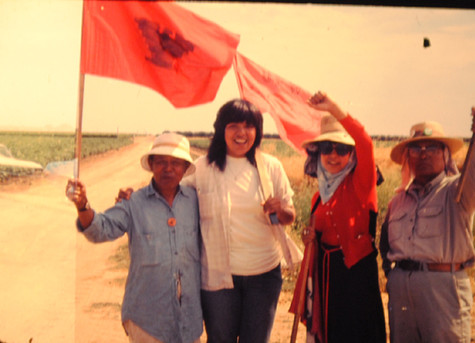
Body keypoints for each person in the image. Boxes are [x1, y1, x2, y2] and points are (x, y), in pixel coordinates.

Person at [117, 99, 296, 343]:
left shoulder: (271, 167)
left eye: (249, 126)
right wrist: (134, 197)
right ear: (221, 130)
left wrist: (282, 210)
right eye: (233, 125)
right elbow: (168, 193)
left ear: (258, 131)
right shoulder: (202, 168)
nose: (241, 133)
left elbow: (290, 215)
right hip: (218, 278)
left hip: (264, 275)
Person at [66, 132, 203, 343]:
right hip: (147, 321)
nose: (168, 168)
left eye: (176, 163)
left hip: (189, 320)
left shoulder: (196, 200)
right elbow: (99, 230)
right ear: (151, 164)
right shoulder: (133, 202)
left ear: (185, 168)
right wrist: (83, 204)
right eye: (161, 162)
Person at [379, 107, 475, 343]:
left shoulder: (458, 191)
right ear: (407, 158)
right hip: (402, 292)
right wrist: (392, 278)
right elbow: (384, 246)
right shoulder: (397, 202)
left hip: (443, 292)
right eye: (416, 149)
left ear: (446, 155)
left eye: (432, 148)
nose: (423, 155)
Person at [296, 91, 386, 343]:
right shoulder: (318, 197)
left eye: (342, 149)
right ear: (318, 153)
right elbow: (317, 236)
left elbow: (366, 143)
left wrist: (335, 110)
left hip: (356, 276)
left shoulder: (361, 183)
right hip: (327, 278)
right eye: (327, 148)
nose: (333, 156)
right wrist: (309, 238)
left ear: (352, 154)